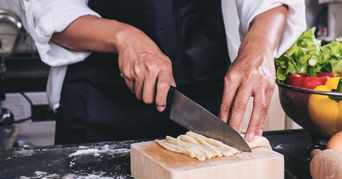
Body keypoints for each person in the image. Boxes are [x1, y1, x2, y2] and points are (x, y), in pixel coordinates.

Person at [8, 0, 306, 144]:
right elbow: (45, 7)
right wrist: (123, 36)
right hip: (98, 103)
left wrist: (260, 44)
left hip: (206, 93)